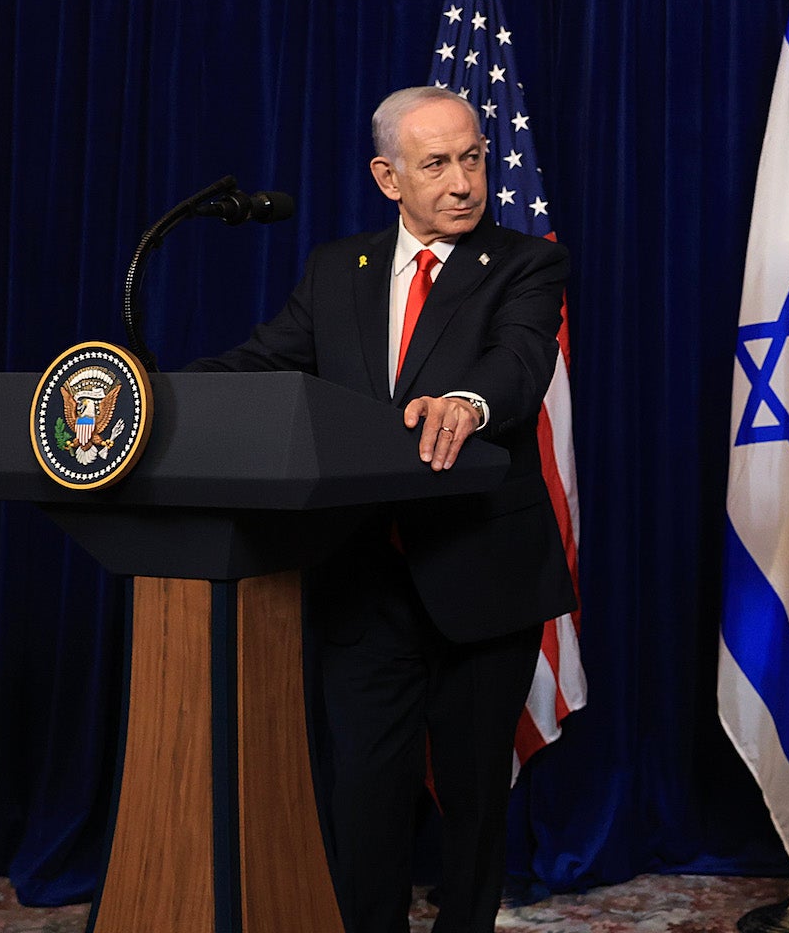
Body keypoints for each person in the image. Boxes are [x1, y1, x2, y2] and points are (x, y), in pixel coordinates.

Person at [189, 85, 575, 933]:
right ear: (388, 176)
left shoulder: (525, 262)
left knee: (476, 807)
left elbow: (516, 364)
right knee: (363, 800)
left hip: (481, 576)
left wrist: (467, 402)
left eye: (472, 157)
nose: (464, 181)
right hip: (363, 580)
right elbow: (263, 364)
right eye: (436, 163)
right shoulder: (338, 268)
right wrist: (153, 396)